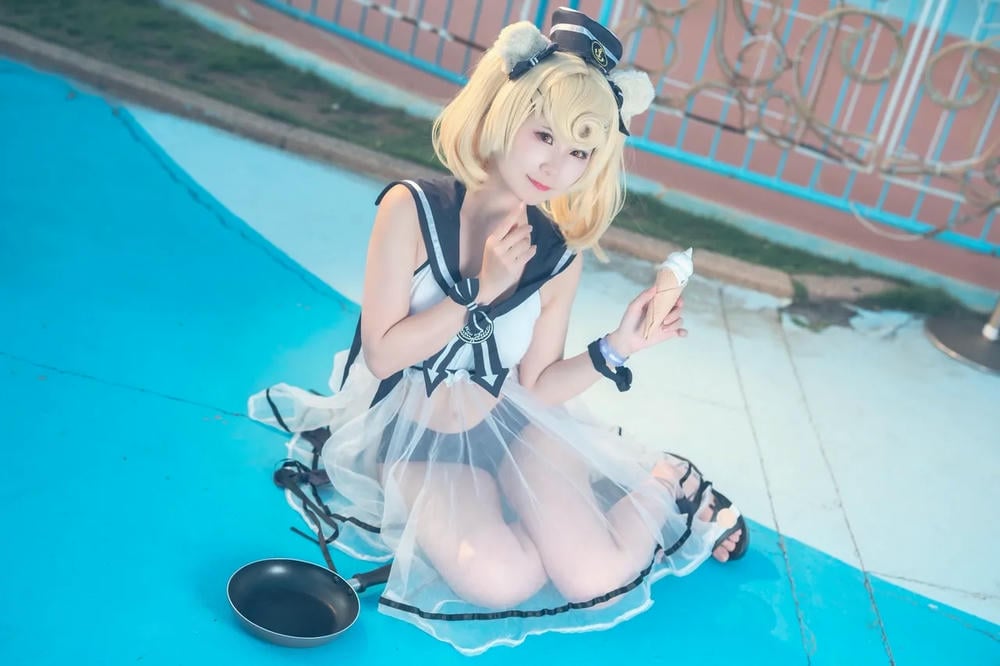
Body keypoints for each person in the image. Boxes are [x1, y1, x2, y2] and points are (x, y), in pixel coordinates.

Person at [249, 7, 748, 655]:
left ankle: (666, 480)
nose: (557, 166)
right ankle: (536, 505)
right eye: (545, 135)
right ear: (504, 114)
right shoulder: (412, 210)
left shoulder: (556, 255)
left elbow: (537, 384)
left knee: (594, 579)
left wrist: (619, 346)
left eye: (580, 152)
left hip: (514, 429)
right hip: (414, 446)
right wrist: (478, 291)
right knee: (504, 581)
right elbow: (383, 353)